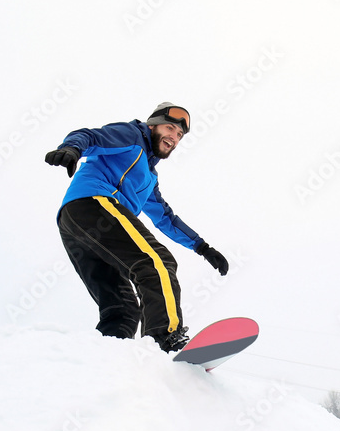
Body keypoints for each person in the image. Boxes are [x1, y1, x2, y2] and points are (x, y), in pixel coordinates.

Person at [45, 102, 228, 352]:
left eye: (179, 135)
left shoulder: (149, 178)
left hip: (76, 225)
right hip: (93, 204)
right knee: (157, 263)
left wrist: (202, 247)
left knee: (122, 309)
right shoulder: (132, 136)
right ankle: (166, 339)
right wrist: (71, 148)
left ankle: (109, 359)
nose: (173, 137)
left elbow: (166, 219)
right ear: (152, 125)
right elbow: (90, 135)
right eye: (169, 128)